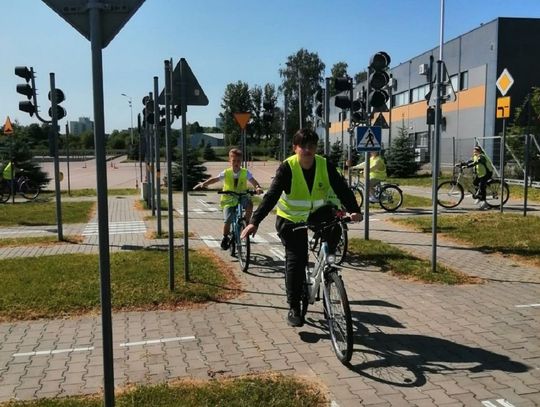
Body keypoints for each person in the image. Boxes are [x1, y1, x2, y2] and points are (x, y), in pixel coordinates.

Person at [241, 129, 362, 327]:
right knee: (296, 260)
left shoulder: (324, 165)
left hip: (317, 214)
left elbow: (341, 188)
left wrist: (354, 210)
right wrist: (255, 221)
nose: (307, 150)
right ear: (295, 147)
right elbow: (271, 196)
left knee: (336, 229)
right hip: (290, 219)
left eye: (312, 146)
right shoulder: (287, 167)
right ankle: (294, 306)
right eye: (303, 146)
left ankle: (328, 271)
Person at [194, 148, 263, 250]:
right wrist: (204, 183)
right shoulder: (226, 172)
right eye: (234, 160)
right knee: (227, 220)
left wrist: (257, 187)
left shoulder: (245, 172)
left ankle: (246, 222)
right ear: (229, 161)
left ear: (241, 161)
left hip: (241, 196)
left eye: (238, 161)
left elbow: (253, 181)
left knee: (250, 204)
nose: (236, 163)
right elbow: (215, 179)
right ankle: (225, 237)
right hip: (228, 199)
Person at [459, 145, 493, 210]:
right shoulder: (475, 156)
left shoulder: (482, 157)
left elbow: (476, 163)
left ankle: (484, 203)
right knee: (475, 183)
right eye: (474, 150)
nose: (475, 151)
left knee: (482, 186)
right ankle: (479, 197)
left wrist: (467, 166)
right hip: (480, 173)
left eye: (477, 150)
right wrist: (461, 164)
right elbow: (470, 161)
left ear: (480, 151)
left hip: (487, 173)